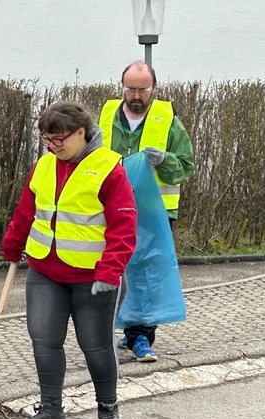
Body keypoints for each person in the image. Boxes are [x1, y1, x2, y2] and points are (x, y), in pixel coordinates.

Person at [2, 101, 137, 419]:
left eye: (59, 139)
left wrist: (111, 271)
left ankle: (107, 408)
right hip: (46, 272)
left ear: (81, 132)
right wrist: (12, 244)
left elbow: (124, 226)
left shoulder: (109, 168)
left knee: (96, 345)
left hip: (93, 278)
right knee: (44, 339)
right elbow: (26, 211)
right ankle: (51, 412)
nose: (53, 146)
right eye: (48, 140)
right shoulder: (44, 166)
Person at [98, 60, 195, 362]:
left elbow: (186, 166)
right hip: (110, 208)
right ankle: (108, 333)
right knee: (112, 269)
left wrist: (165, 161)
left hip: (154, 213)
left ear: (154, 88)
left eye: (142, 90)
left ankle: (140, 337)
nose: (136, 96)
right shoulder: (105, 118)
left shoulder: (167, 120)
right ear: (122, 87)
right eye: (131, 89)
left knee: (147, 273)